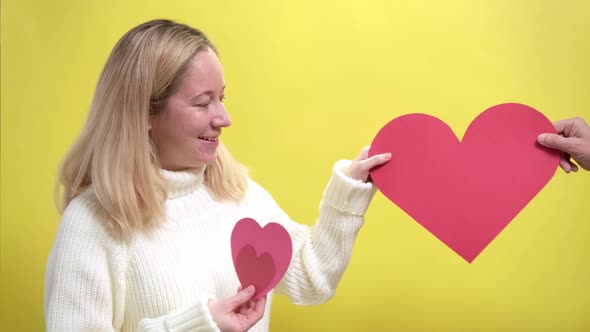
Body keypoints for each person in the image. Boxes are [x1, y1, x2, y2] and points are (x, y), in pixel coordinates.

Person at [44, 19, 391, 332]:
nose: (223, 118)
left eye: (221, 98)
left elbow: (313, 280)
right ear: (144, 112)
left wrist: (347, 191)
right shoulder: (91, 226)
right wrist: (199, 325)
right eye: (202, 102)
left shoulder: (238, 195)